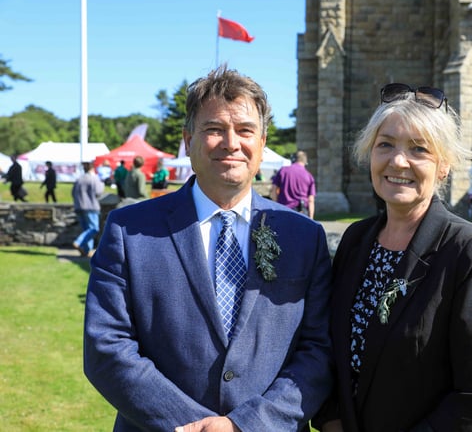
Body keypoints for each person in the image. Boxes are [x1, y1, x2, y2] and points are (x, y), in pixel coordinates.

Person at [83, 66, 333, 432]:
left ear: (262, 144)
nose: (231, 142)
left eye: (245, 130)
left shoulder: (304, 236)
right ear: (188, 141)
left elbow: (318, 351)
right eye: (214, 129)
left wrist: (245, 426)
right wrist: (193, 425)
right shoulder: (128, 231)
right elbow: (106, 347)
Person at [314, 83, 472, 432]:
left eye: (418, 149)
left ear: (444, 166)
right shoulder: (356, 239)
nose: (398, 161)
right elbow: (331, 349)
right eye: (385, 145)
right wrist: (332, 420)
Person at [271, 150, 316, 219]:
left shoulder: (283, 171)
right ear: (305, 162)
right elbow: (311, 200)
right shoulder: (309, 176)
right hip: (302, 212)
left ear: (293, 159)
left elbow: (274, 190)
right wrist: (311, 219)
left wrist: (276, 206)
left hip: (284, 210)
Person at [72, 162, 105, 257]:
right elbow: (99, 192)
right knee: (94, 229)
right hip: (91, 207)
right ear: (92, 168)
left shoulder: (79, 179)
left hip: (79, 207)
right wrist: (102, 183)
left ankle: (87, 251)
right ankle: (78, 242)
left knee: (87, 229)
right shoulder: (93, 178)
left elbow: (73, 193)